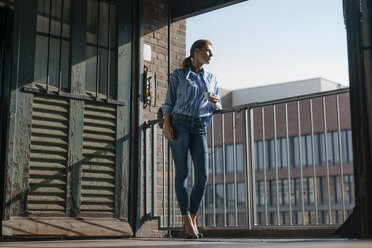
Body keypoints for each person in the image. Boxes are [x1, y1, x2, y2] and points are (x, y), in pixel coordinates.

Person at [162, 39, 222, 239]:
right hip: (179, 124)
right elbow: (169, 102)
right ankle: (186, 218)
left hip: (198, 127)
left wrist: (214, 103)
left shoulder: (212, 78)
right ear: (196, 52)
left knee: (203, 175)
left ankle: (193, 217)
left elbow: (217, 106)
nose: (211, 55)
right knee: (183, 173)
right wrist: (167, 124)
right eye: (208, 51)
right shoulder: (179, 75)